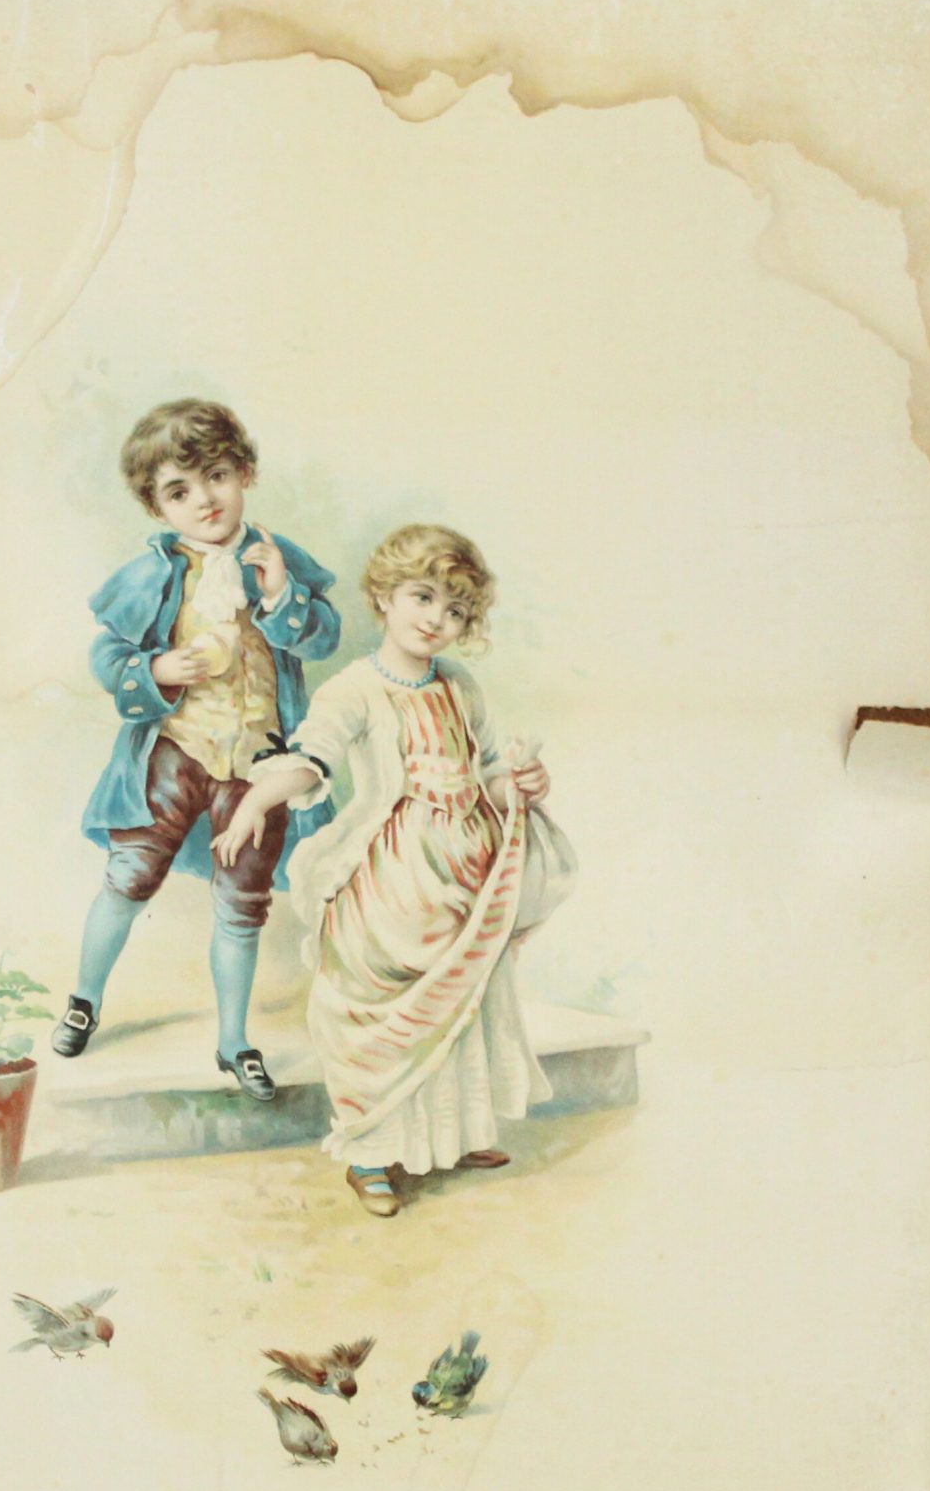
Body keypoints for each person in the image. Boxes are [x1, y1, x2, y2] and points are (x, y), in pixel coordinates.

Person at [212, 524, 574, 1213]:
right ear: (384, 596)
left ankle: (454, 1135)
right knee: (379, 1020)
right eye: (422, 597)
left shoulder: (459, 684)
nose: (436, 619)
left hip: (465, 876)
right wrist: (257, 799)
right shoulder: (354, 689)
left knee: (460, 1008)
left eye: (455, 609)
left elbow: (487, 774)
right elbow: (311, 758)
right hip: (392, 884)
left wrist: (522, 785)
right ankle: (370, 1154)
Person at [59, 400, 341, 1096]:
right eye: (179, 491)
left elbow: (323, 639)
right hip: (175, 754)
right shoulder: (152, 573)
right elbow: (107, 657)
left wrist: (281, 595)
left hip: (259, 767)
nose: (204, 500)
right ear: (157, 506)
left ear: (245, 473)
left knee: (242, 906)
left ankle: (234, 1042)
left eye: (216, 476)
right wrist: (154, 669)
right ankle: (84, 1000)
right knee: (128, 879)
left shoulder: (276, 558)